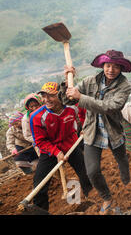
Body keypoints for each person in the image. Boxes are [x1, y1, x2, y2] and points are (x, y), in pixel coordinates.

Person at [60, 50, 131, 214]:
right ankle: (107, 197)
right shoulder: (89, 81)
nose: (111, 70)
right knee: (92, 171)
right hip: (92, 131)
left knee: (121, 159)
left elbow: (110, 106)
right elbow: (67, 100)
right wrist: (67, 80)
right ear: (103, 66)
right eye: (108, 66)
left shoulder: (124, 86)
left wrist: (81, 98)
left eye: (115, 67)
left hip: (113, 130)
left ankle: (127, 183)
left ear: (121, 68)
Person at [30, 82, 92, 212]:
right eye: (44, 96)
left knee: (86, 173)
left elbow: (85, 114)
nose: (47, 100)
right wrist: (56, 152)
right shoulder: (36, 117)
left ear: (60, 95)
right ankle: (41, 212)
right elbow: (40, 141)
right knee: (39, 186)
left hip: (71, 145)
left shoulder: (72, 107)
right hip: (50, 151)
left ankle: (91, 198)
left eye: (51, 96)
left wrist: (84, 127)